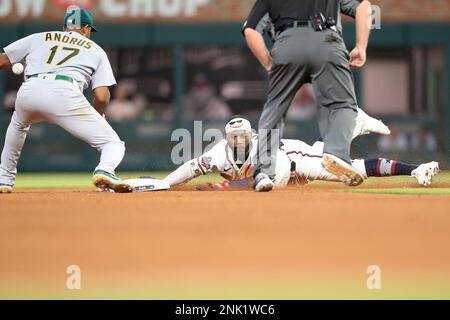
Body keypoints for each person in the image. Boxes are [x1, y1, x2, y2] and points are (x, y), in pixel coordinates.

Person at [243, 0, 373, 191]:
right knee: (343, 105)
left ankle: (263, 173)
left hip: (287, 43)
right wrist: (361, 46)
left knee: (274, 110)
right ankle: (336, 153)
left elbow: (251, 31)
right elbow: (365, 7)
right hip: (327, 41)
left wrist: (268, 63)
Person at [0, 8, 133, 193]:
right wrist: (98, 115)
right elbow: (102, 96)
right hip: (65, 93)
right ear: (86, 29)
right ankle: (105, 170)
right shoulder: (96, 50)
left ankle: (4, 180)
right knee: (113, 144)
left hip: (30, 89)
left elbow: (3, 61)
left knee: (18, 125)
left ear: (65, 27)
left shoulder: (39, 37)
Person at [163, 116, 439, 190]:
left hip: (295, 160)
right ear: (226, 139)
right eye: (233, 138)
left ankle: (414, 169)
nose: (238, 142)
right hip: (290, 167)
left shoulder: (263, 149)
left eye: (242, 137)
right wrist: (165, 183)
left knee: (350, 170)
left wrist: (227, 186)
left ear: (252, 136)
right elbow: (191, 167)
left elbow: (277, 178)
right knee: (327, 150)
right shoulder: (218, 154)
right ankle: (352, 123)